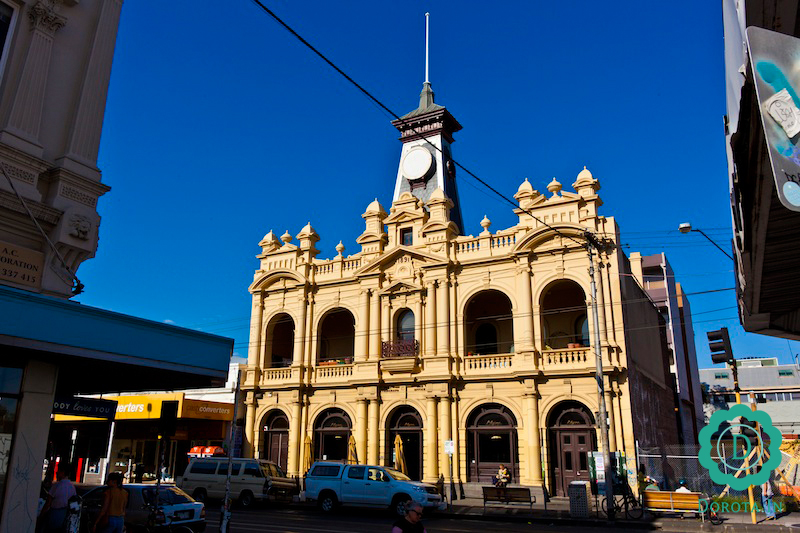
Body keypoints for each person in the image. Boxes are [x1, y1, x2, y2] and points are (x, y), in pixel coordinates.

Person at [42, 466, 76, 533]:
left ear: (62, 473)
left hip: (54, 515)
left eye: (58, 471)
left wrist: (41, 515)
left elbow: (48, 503)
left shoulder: (57, 486)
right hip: (65, 516)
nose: (56, 473)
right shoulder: (72, 487)